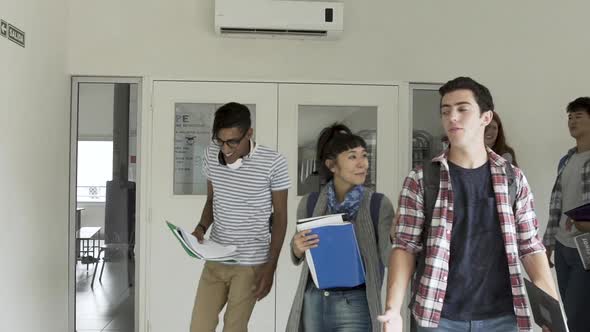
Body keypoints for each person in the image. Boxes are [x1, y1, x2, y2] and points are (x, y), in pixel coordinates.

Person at [379, 77, 557, 332]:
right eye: (446, 110)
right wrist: (393, 311)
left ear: (486, 117)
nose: (452, 117)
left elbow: (530, 247)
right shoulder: (421, 178)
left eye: (462, 109)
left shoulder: (512, 178)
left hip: (503, 317)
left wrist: (552, 314)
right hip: (438, 317)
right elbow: (405, 246)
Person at [189, 102, 290, 332]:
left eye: (232, 141)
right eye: (220, 141)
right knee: (199, 327)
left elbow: (281, 216)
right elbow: (212, 201)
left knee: (234, 327)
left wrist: (271, 266)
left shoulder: (273, 162)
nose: (225, 148)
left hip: (250, 263)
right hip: (216, 258)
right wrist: (201, 228)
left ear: (249, 134)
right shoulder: (210, 155)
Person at [286, 123, 395, 332]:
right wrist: (297, 247)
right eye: (352, 157)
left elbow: (389, 257)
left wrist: (395, 237)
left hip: (356, 302)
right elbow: (299, 253)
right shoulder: (309, 203)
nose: (362, 163)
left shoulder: (378, 204)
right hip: (314, 300)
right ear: (332, 165)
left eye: (364, 155)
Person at [543, 97, 590, 332]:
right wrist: (548, 243)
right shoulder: (567, 160)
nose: (572, 121)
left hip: (586, 248)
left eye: (578, 115)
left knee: (579, 314)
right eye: (570, 117)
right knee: (569, 314)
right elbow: (556, 205)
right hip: (563, 248)